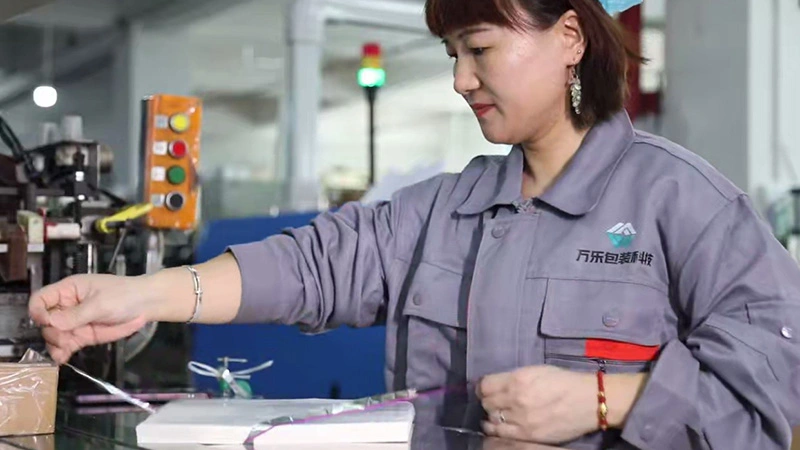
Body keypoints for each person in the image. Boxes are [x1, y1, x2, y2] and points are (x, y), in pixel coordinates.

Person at [28, 0, 800, 448]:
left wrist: (608, 401)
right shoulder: (444, 208)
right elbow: (315, 265)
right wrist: (144, 295)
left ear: (569, 37)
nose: (461, 79)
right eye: (451, 52)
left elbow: (769, 398)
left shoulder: (686, 204)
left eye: (479, 48)